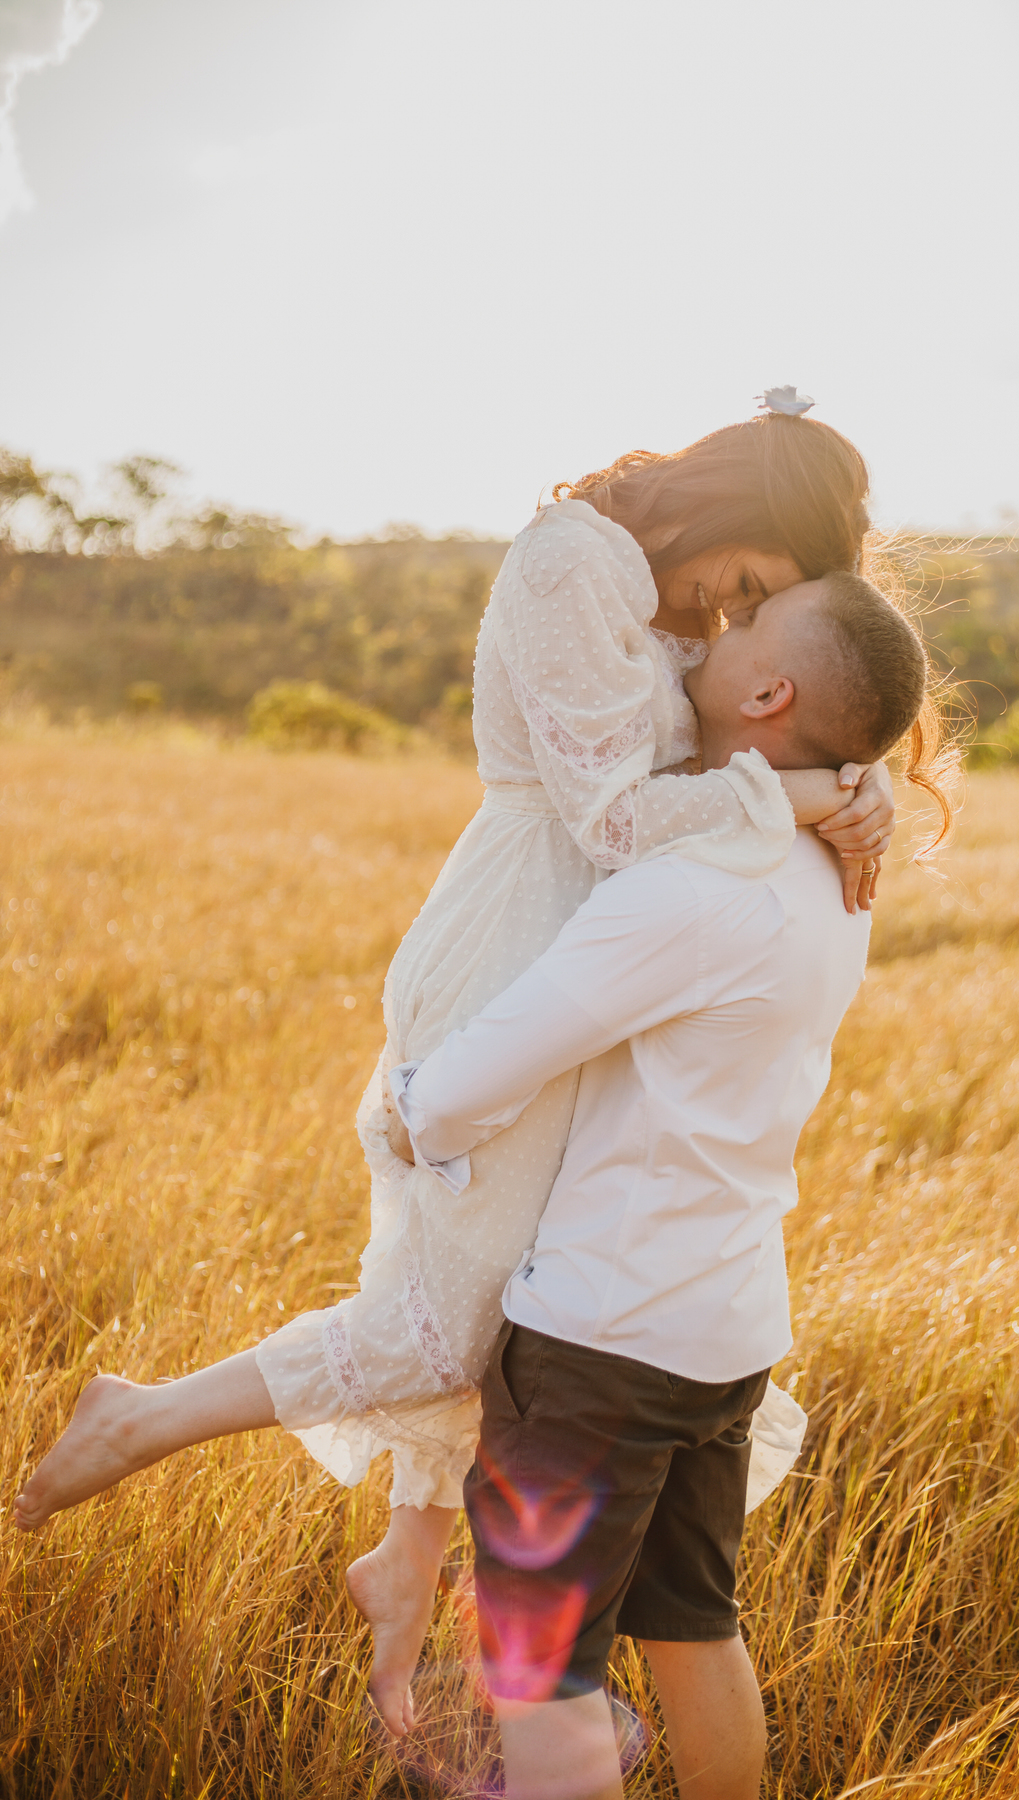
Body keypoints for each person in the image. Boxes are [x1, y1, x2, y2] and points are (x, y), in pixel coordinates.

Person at [15, 401, 949, 1737]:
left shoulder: (692, 605)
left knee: (506, 1304)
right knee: (449, 1322)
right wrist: (797, 798)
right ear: (721, 498)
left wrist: (858, 784)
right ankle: (141, 1417)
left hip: (611, 953)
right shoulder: (571, 558)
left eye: (756, 606)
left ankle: (403, 1554)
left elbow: (765, 721)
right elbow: (623, 812)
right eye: (742, 584)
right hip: (520, 945)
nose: (723, 615)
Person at [381, 571, 930, 1799]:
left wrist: (411, 1111)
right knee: (696, 1628)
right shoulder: (833, 870)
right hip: (728, 1325)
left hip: (597, 1341)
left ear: (767, 691)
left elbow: (488, 1067)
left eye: (745, 629)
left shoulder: (688, 888)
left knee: (540, 1676)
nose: (716, 631)